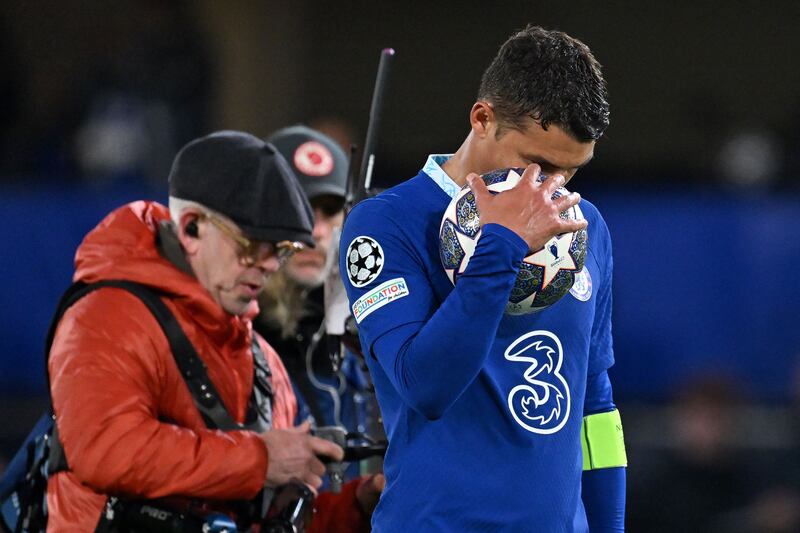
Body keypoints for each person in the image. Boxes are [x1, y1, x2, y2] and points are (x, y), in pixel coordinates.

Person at [340, 26, 626, 531]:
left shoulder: (587, 229)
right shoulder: (387, 224)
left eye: (570, 172)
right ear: (482, 119)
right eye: (537, 164)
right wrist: (505, 243)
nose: (550, 189)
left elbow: (595, 405)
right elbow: (425, 386)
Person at [46, 130, 375, 531]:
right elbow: (107, 450)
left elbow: (266, 518)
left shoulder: (261, 361)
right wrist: (259, 459)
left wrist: (355, 508)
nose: (270, 264)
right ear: (191, 228)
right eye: (253, 244)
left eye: (281, 249)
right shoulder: (108, 316)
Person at [256, 125, 373, 434]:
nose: (317, 231)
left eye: (331, 212)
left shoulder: (362, 337)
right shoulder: (230, 333)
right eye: (302, 209)